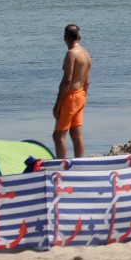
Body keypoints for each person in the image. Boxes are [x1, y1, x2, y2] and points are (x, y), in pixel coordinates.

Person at [52, 24, 92, 159]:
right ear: (79, 37)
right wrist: (83, 95)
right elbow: (87, 81)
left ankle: (61, 167)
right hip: (81, 94)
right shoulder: (86, 54)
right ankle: (80, 163)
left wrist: (58, 102)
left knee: (58, 136)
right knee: (76, 134)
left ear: (65, 38)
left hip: (71, 97)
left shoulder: (71, 54)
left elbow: (67, 80)